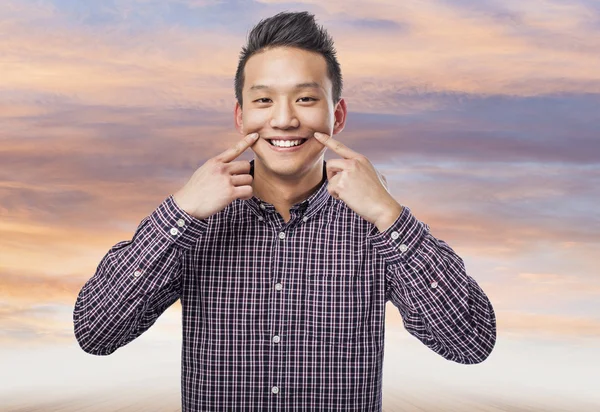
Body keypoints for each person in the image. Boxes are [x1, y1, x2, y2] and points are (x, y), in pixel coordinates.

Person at [73, 11, 496, 412]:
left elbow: (471, 342)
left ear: (338, 114)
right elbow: (96, 332)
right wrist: (180, 213)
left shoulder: (375, 226)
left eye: (306, 98)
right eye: (263, 100)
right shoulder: (194, 224)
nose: (284, 119)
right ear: (241, 117)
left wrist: (390, 216)